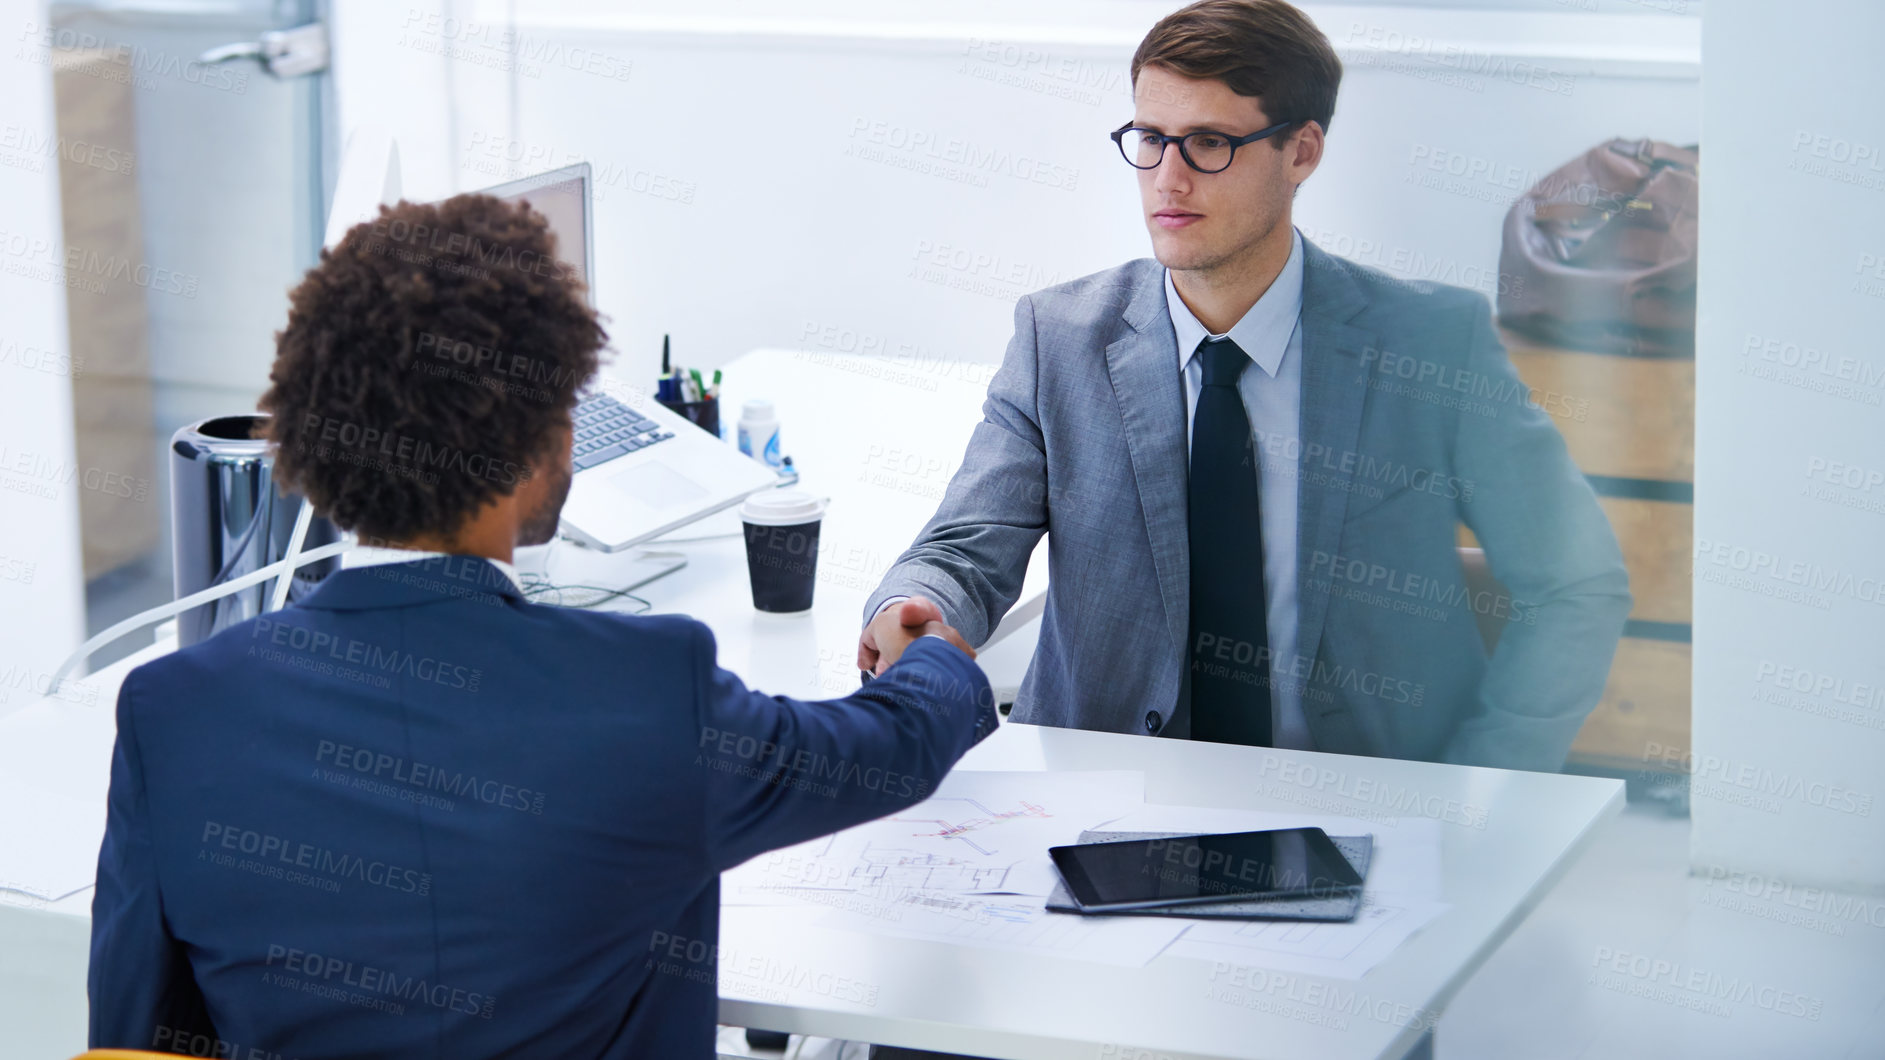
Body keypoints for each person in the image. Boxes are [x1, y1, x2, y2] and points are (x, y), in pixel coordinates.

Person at [88, 194, 994, 1059]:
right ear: (541, 448)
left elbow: (133, 1037)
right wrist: (935, 661)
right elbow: (885, 749)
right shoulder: (645, 690)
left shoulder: (171, 709)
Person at [858, 0, 1630, 774]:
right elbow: (963, 549)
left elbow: (1575, 583)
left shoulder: (1431, 346)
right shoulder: (1056, 340)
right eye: (1151, 140)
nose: (1168, 179)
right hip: (1100, 801)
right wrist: (911, 608)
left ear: (1300, 152)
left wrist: (1484, 782)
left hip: (1365, 812)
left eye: (1208, 144)